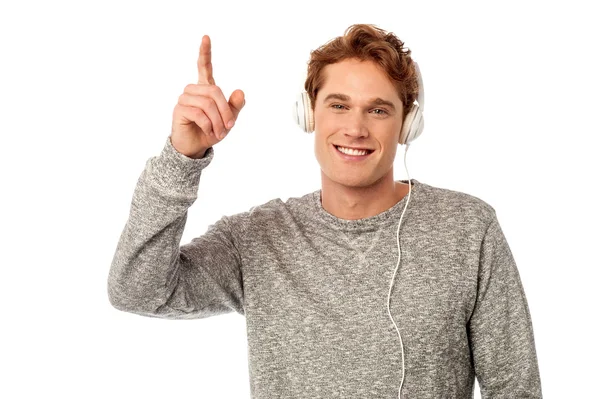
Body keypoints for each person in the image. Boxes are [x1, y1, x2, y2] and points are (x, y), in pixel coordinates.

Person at [107, 24, 543, 398]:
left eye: (378, 109)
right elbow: (137, 290)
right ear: (309, 113)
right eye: (338, 105)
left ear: (408, 124)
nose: (355, 128)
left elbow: (515, 388)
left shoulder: (467, 229)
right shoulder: (257, 238)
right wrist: (182, 159)